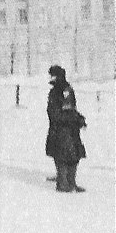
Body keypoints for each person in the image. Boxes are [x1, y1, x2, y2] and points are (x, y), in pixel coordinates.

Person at [45, 65, 86, 193]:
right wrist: (72, 119)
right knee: (63, 155)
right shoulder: (58, 91)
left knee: (72, 155)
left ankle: (70, 183)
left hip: (67, 128)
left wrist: (78, 119)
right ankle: (63, 184)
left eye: (52, 75)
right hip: (61, 128)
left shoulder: (65, 90)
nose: (51, 78)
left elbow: (70, 108)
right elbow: (54, 113)